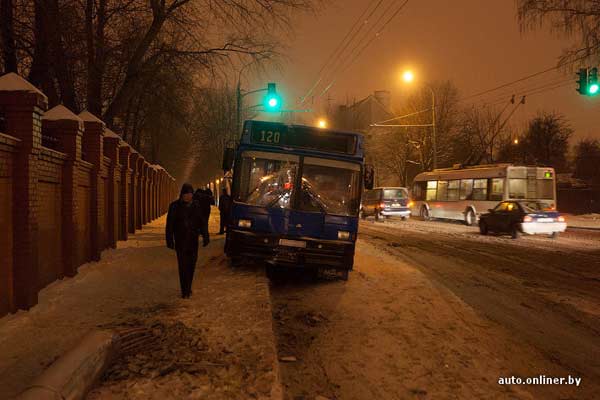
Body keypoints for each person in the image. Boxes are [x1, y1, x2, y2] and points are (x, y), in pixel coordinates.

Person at [166, 183, 209, 298]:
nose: (188, 196)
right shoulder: (174, 206)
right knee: (183, 266)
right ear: (182, 195)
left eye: (190, 194)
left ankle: (188, 287)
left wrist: (205, 235)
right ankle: (185, 291)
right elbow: (169, 224)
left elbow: (202, 221)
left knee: (191, 265)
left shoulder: (196, 206)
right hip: (181, 241)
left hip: (193, 241)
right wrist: (169, 240)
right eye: (186, 194)